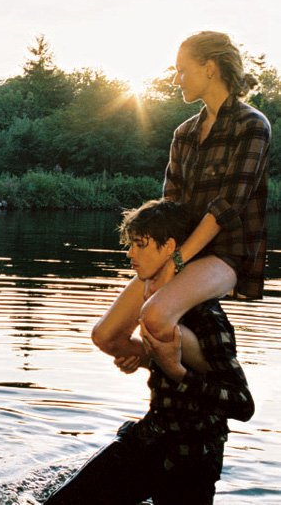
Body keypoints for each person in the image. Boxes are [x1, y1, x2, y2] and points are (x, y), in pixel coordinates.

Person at [44, 199, 254, 505]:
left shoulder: (206, 316)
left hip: (192, 462)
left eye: (140, 245)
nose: (130, 254)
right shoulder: (156, 305)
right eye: (130, 245)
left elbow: (242, 404)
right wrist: (148, 359)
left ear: (169, 247)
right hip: (150, 440)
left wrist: (176, 371)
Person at [92, 31, 271, 360]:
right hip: (180, 249)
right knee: (106, 335)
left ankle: (216, 378)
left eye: (182, 70)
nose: (176, 80)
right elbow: (170, 208)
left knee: (155, 317)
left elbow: (226, 208)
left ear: (210, 68)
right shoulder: (184, 133)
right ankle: (163, 367)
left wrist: (174, 262)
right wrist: (161, 259)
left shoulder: (252, 126)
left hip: (227, 254)